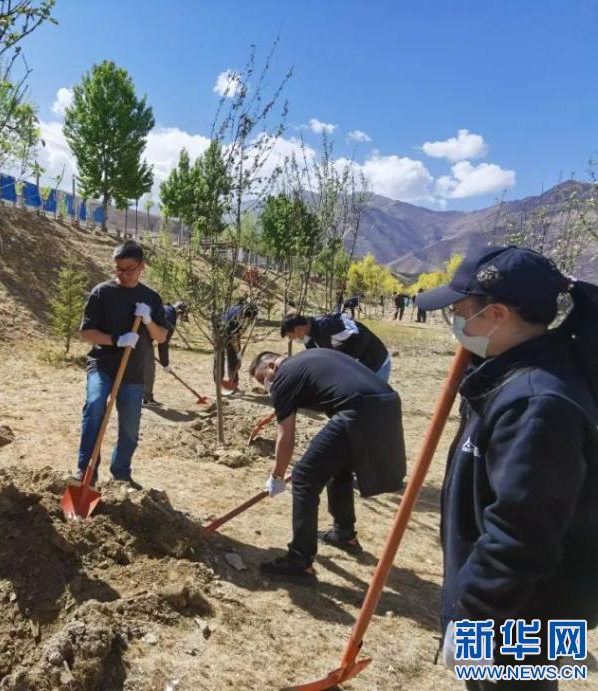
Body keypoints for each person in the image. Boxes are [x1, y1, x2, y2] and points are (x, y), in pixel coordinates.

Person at [416, 246, 598, 688]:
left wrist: (472, 615)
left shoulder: (539, 403)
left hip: (517, 616)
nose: (455, 322)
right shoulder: (507, 374)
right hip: (510, 608)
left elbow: (522, 533)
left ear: (497, 314)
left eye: (460, 312)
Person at [250, 348, 406, 580]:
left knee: (304, 477)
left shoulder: (284, 377)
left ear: (272, 366)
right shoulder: (309, 359)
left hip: (358, 410)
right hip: (387, 403)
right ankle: (344, 533)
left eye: (264, 380)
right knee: (339, 468)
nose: (268, 386)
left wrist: (277, 476)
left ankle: (299, 560)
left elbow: (286, 438)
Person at [77, 240, 169, 488]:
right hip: (102, 365)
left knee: (130, 426)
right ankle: (85, 472)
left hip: (134, 371)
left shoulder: (151, 298)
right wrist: (116, 340)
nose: (124, 274)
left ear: (142, 266)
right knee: (95, 406)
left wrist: (148, 320)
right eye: (119, 269)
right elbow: (86, 332)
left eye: (129, 269)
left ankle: (121, 475)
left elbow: (161, 336)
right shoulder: (102, 293)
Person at [280, 311, 392, 381]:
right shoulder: (309, 339)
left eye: (291, 336)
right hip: (358, 371)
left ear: (298, 329)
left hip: (376, 363)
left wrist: (347, 365)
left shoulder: (328, 326)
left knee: (375, 401)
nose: (292, 339)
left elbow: (361, 337)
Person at [142, 301, 188, 406]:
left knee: (140, 368)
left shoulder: (165, 308)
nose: (181, 318)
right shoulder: (170, 317)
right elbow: (162, 343)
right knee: (149, 369)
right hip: (142, 340)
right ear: (179, 312)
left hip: (138, 336)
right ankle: (146, 399)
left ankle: (142, 397)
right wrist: (165, 363)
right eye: (182, 316)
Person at [219, 300, 259, 391]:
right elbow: (233, 339)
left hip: (230, 332)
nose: (248, 320)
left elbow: (238, 333)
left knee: (234, 359)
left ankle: (233, 383)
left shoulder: (243, 311)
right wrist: (238, 353)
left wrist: (237, 354)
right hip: (220, 333)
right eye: (249, 318)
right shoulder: (234, 318)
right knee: (220, 359)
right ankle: (219, 383)